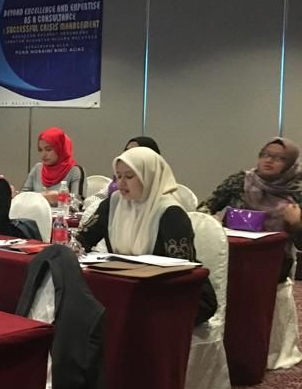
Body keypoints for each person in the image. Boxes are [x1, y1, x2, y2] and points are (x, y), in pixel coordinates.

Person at [77, 147, 216, 326]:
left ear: (148, 177)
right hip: (128, 288)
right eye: (118, 176)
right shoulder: (114, 203)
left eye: (129, 176)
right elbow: (83, 239)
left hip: (171, 295)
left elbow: (183, 273)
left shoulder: (170, 213)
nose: (121, 183)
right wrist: (73, 249)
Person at [199, 137, 302, 280]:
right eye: (265, 154)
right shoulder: (240, 181)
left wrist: (297, 224)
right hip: (231, 258)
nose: (269, 160)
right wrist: (211, 221)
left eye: (279, 158)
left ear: (290, 165)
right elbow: (204, 209)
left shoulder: (297, 192)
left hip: (275, 266)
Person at [21, 127, 84, 203]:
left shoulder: (75, 171)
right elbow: (23, 197)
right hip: (36, 210)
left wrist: (59, 198)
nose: (43, 155)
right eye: (40, 150)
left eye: (48, 149)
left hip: (62, 211)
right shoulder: (37, 168)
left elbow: (78, 203)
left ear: (60, 148)